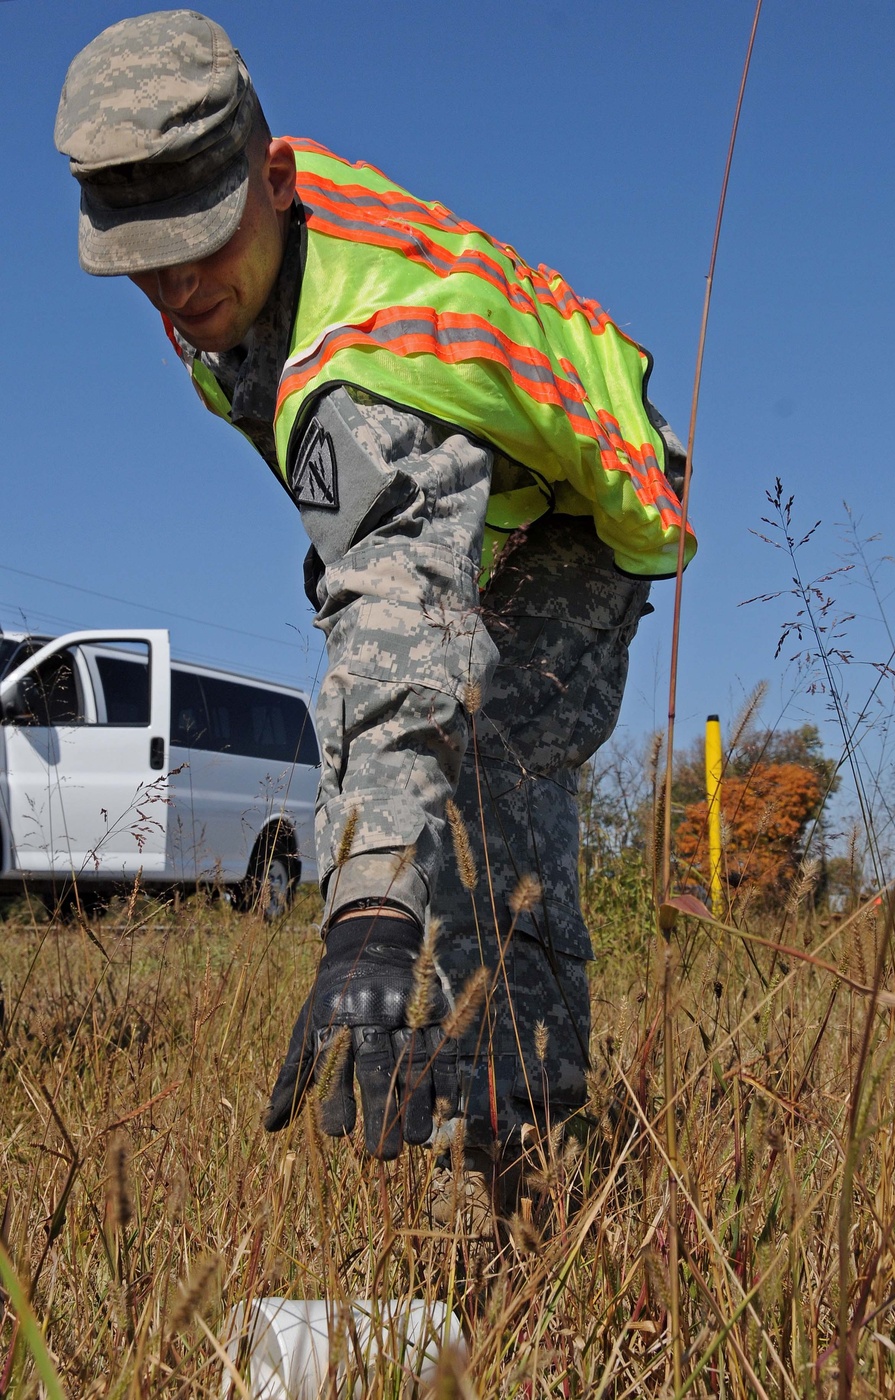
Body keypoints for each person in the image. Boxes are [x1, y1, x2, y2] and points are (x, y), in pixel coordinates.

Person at [55, 10, 696, 1207]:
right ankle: (461, 1081)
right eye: (147, 257)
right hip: (477, 499)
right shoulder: (230, 303)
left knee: (487, 767)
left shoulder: (363, 351)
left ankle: (521, 1129)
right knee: (390, 748)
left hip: (587, 501)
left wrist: (371, 908)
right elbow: (371, 602)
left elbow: (404, 623)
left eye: (200, 241)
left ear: (274, 177)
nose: (179, 284)